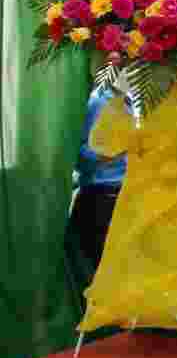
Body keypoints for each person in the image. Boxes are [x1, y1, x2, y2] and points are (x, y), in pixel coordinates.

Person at [67, 82, 130, 280]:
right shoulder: (98, 101)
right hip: (102, 201)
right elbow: (77, 155)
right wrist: (112, 150)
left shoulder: (138, 103)